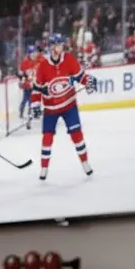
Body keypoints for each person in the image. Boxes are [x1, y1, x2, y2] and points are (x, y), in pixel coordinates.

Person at [32, 32, 97, 183]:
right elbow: (36, 90)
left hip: (69, 105)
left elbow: (81, 77)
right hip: (50, 109)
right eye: (59, 45)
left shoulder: (69, 59)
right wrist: (35, 105)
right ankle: (44, 168)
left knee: (77, 134)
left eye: (62, 44)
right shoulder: (42, 66)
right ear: (53, 48)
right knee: (47, 138)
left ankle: (85, 163)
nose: (62, 47)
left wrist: (88, 82)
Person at [18, 45, 38, 124]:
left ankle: (31, 114)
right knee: (25, 99)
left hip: (34, 85)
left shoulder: (37, 62)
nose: (34, 55)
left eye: (35, 53)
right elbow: (21, 74)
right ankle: (22, 113)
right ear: (29, 54)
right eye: (32, 53)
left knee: (32, 100)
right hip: (27, 86)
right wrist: (22, 81)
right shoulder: (24, 63)